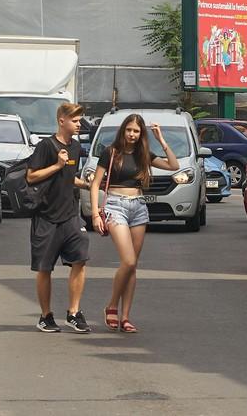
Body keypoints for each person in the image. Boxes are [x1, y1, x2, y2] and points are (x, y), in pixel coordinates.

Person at [88, 114, 180, 333]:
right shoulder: (111, 152)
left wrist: (161, 140)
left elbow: (173, 165)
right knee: (128, 261)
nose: (132, 134)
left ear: (141, 134)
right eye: (129, 130)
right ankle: (112, 306)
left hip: (138, 207)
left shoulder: (143, 154)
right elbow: (95, 184)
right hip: (115, 206)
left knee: (132, 266)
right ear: (123, 130)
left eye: (136, 131)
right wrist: (95, 214)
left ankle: (126, 317)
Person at [25, 102, 91, 333]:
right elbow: (31, 177)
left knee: (80, 259)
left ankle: (73, 312)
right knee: (45, 268)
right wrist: (57, 164)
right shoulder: (46, 146)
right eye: (75, 120)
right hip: (46, 216)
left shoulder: (76, 146)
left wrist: (87, 184)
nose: (79, 124)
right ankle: (45, 316)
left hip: (70, 215)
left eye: (80, 120)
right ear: (62, 121)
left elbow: (69, 177)